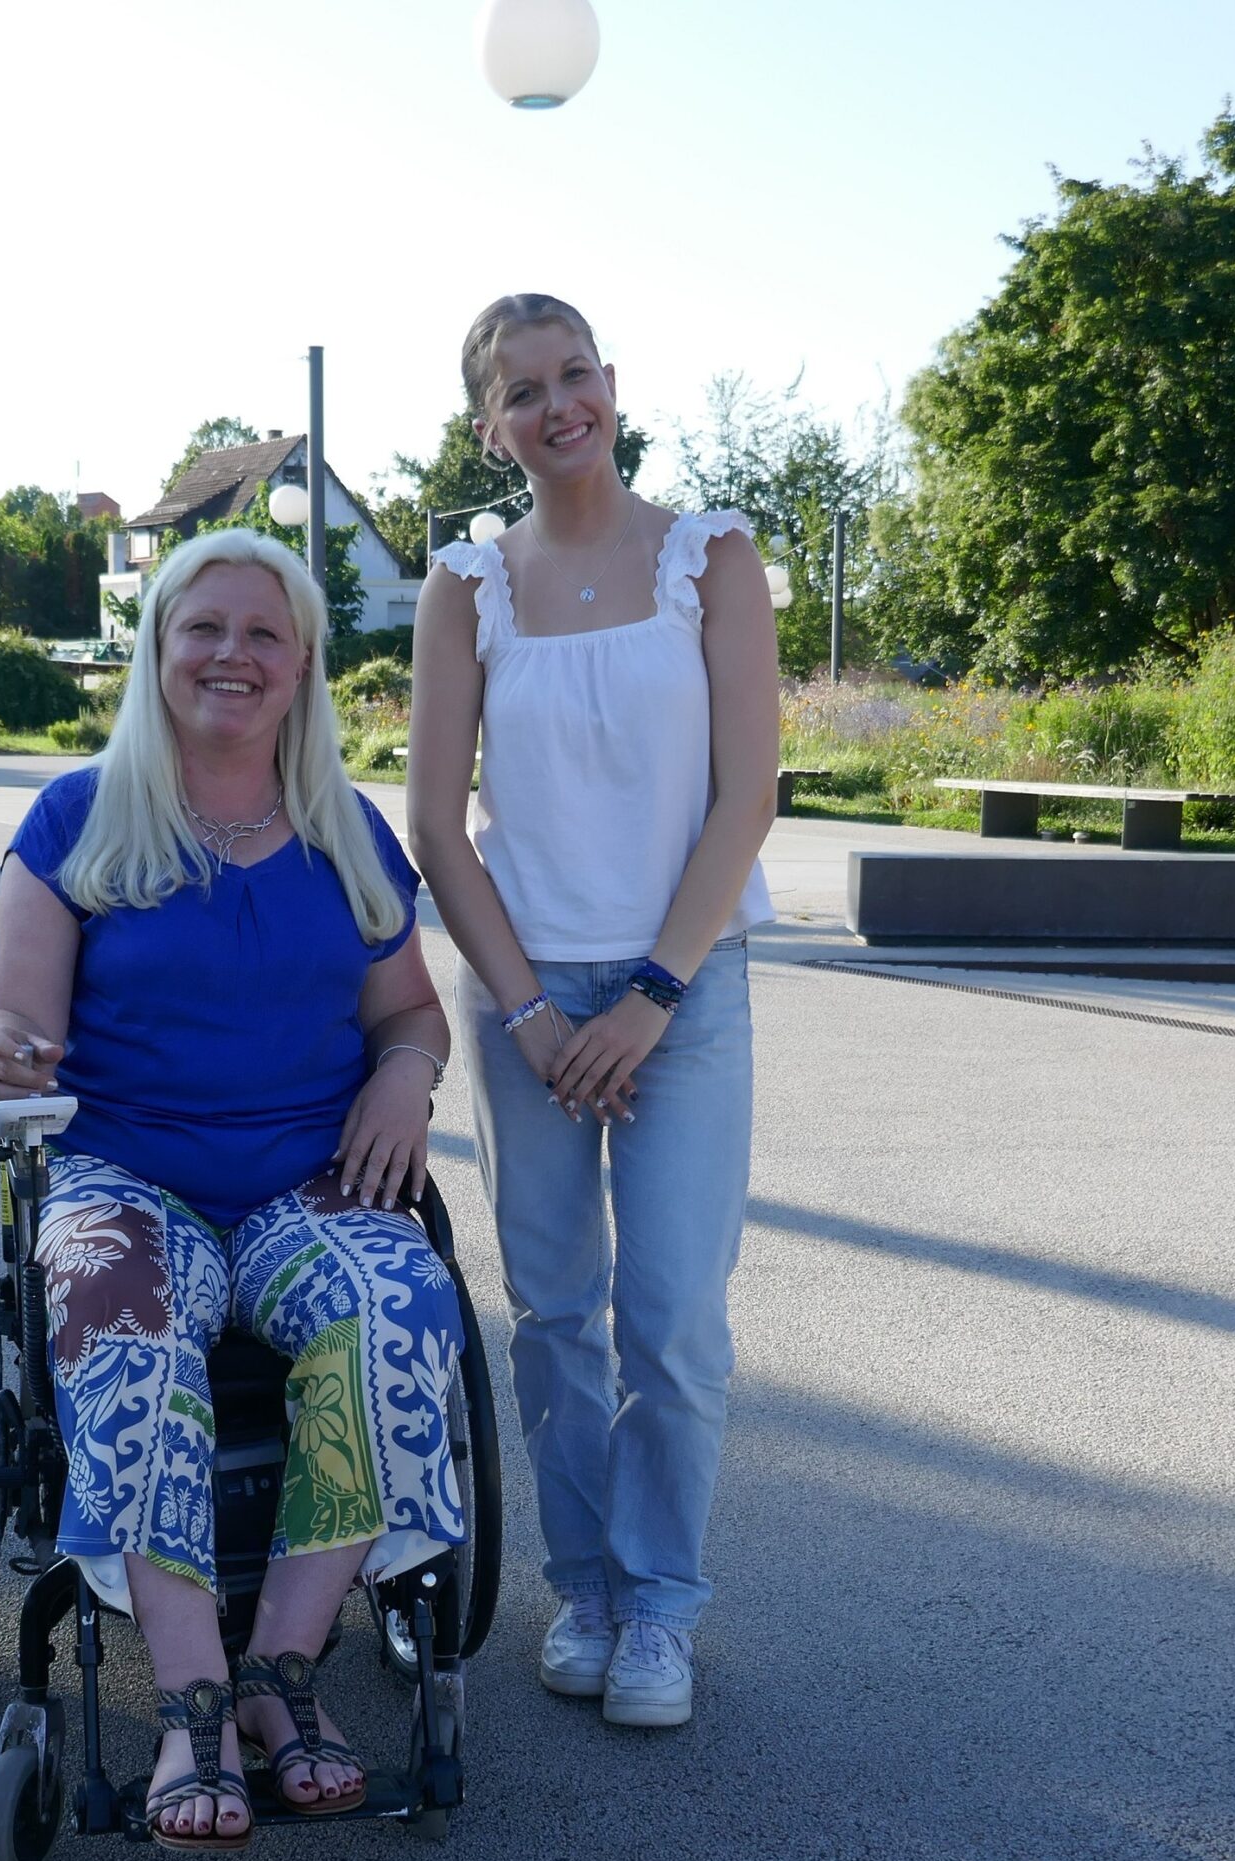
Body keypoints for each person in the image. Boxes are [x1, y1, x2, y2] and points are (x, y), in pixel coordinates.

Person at [0, 526, 465, 1851]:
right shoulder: (80, 816)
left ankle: (281, 1676)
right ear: (160, 650)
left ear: (301, 668)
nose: (231, 656)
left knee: (404, 1310)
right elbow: (6, 1013)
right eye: (205, 629)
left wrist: (406, 1076)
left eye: (263, 635)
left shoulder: (346, 834)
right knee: (124, 1329)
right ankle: (188, 1699)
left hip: (311, 1182)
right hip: (130, 1176)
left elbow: (411, 1012)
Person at [407, 294, 777, 1730]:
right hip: (527, 996)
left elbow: (748, 796)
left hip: (684, 987)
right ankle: (588, 1588)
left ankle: (663, 1607)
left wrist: (651, 998)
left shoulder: (711, 555)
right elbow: (438, 824)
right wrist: (530, 1012)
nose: (557, 406)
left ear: (612, 386)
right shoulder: (467, 585)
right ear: (486, 424)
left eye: (575, 376)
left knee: (673, 1316)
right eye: (522, 390)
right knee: (556, 1311)